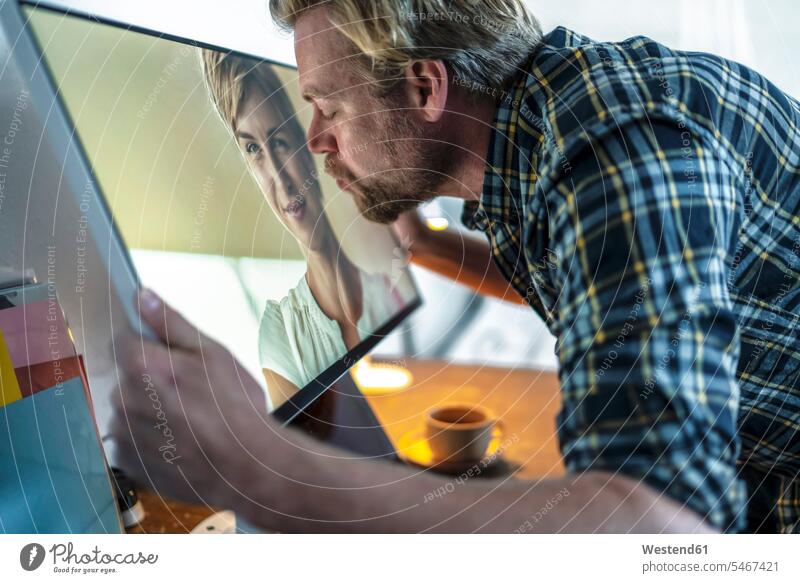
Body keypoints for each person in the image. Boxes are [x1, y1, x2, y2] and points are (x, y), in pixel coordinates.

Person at [113, 0, 799, 533]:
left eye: (328, 107)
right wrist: (430, 247)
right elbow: (591, 273)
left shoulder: (616, 155)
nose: (317, 138)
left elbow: (665, 527)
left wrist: (256, 466)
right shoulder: (551, 125)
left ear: (424, 86)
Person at [199, 50, 406, 408]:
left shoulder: (384, 290)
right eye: (253, 149)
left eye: (280, 141)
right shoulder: (281, 336)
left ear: (307, 143)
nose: (279, 178)